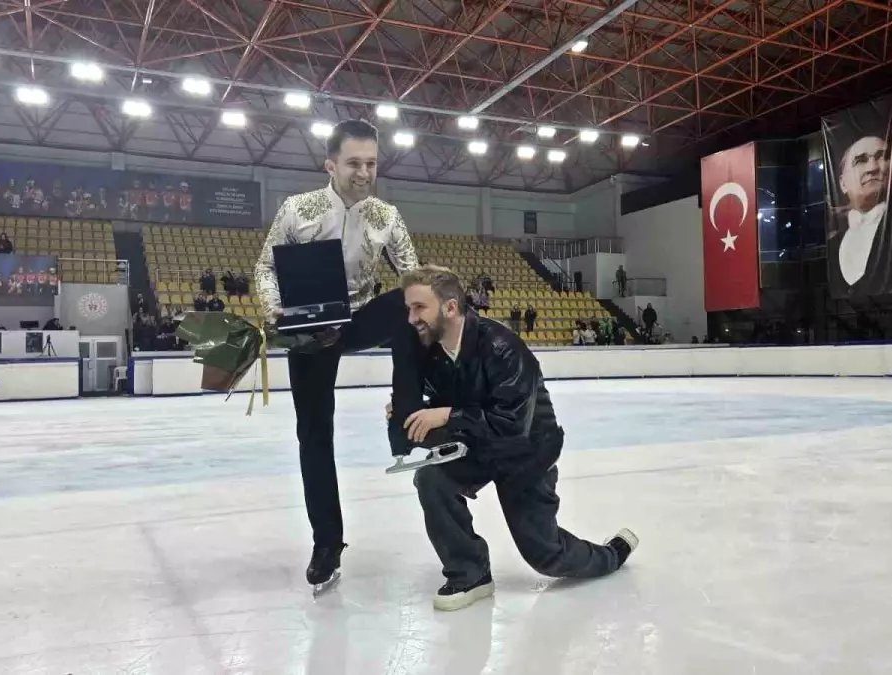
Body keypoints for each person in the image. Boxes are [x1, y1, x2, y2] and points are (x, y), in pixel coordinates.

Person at [390, 266, 637, 611]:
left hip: (526, 452)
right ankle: (470, 573)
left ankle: (613, 553)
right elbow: (456, 400)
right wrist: (415, 412)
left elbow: (510, 425)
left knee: (546, 556)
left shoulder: (502, 347)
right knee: (432, 478)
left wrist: (446, 415)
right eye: (409, 308)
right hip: (479, 446)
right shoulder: (430, 352)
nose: (411, 318)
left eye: (419, 307)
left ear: (450, 307)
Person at [254, 119, 424, 592]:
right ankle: (327, 543)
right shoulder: (298, 209)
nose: (364, 173)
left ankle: (407, 412)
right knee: (314, 433)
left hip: (359, 316)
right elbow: (265, 267)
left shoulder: (386, 215)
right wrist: (277, 313)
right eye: (353, 163)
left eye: (371, 163)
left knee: (410, 300)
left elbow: (415, 276)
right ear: (330, 164)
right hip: (311, 328)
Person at [827, 132, 892, 297]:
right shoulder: (831, 246)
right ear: (842, 183)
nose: (873, 168)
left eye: (882, 157)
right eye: (860, 161)